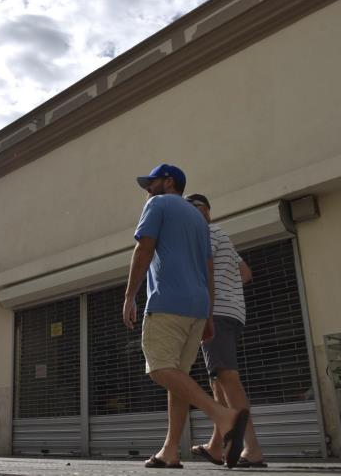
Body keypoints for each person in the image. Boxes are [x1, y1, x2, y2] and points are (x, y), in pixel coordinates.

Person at [122, 164, 248, 469]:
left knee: (159, 368)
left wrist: (129, 296)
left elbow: (144, 250)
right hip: (197, 306)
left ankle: (224, 416)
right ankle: (170, 451)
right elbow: (208, 268)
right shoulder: (198, 218)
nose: (147, 189)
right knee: (177, 378)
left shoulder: (158, 204)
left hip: (168, 301)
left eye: (151, 183)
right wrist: (208, 314)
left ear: (168, 182)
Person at [187, 193, 266, 468]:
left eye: (194, 208)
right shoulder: (223, 236)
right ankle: (216, 446)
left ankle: (252, 449)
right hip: (232, 313)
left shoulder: (206, 232)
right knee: (217, 379)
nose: (191, 214)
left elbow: (200, 270)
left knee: (227, 377)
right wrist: (230, 293)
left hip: (216, 313)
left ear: (206, 210)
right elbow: (245, 272)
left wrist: (214, 298)